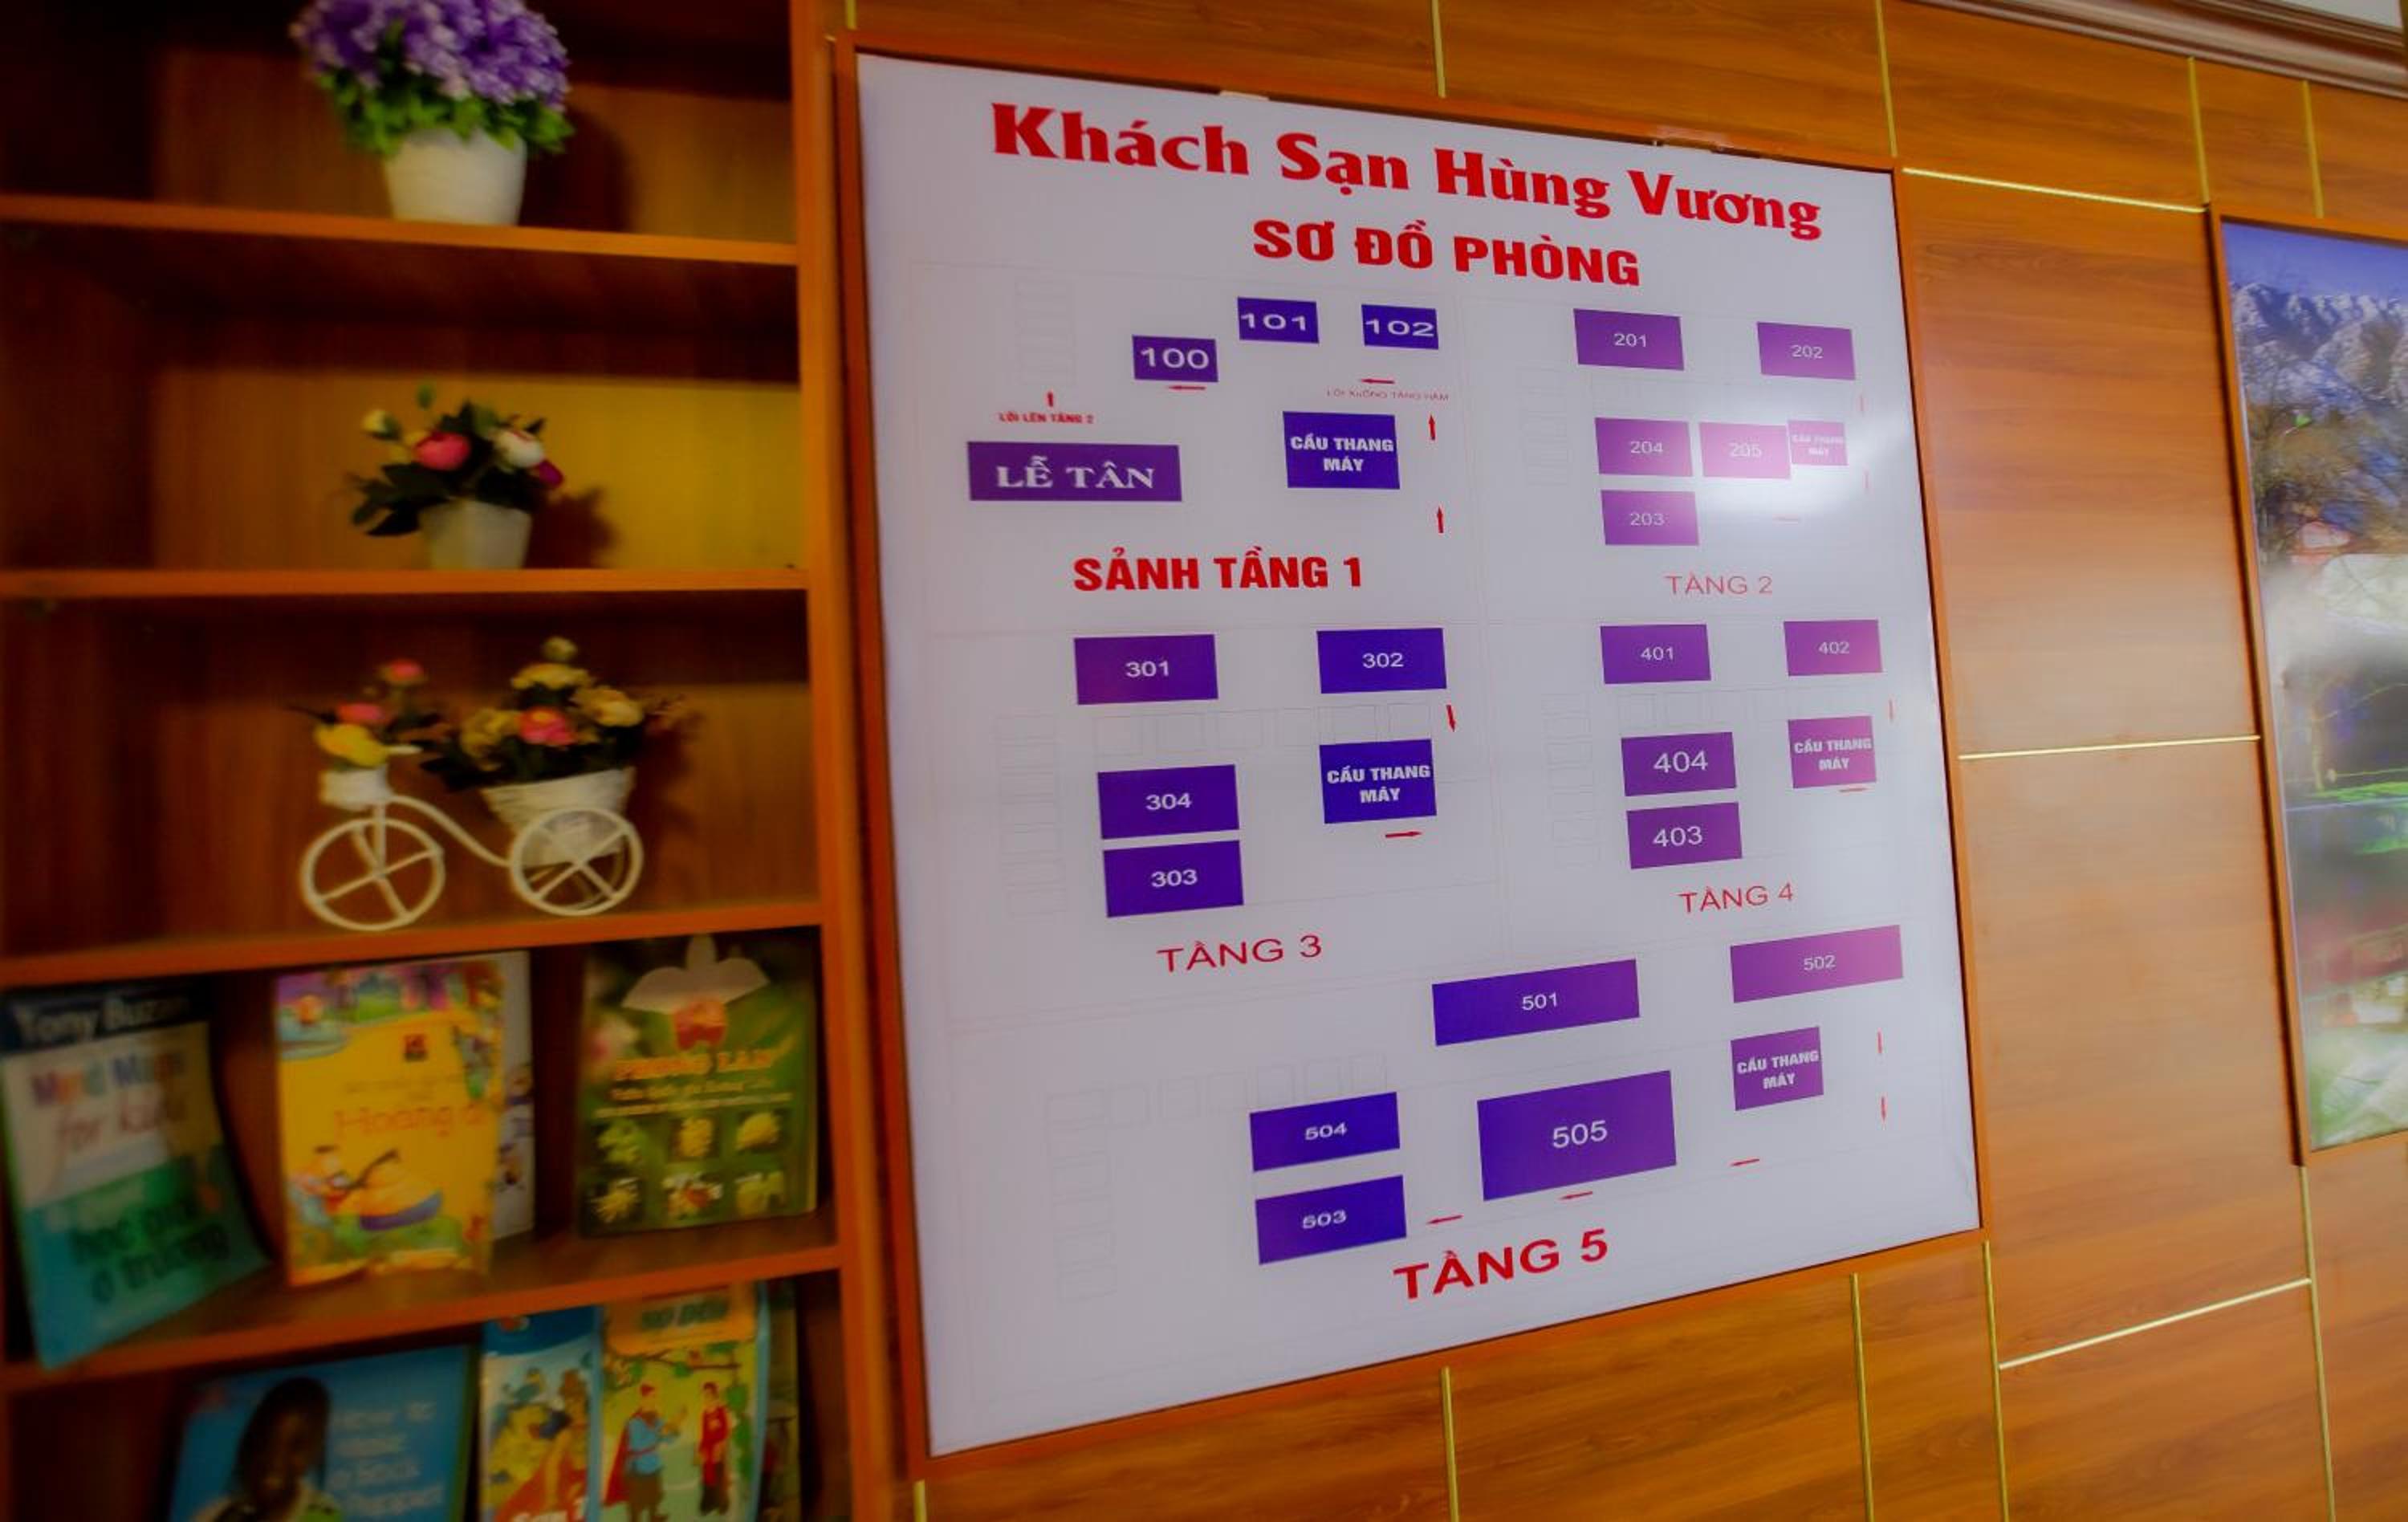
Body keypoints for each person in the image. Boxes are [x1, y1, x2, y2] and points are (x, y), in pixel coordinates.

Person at [190, 1377, 341, 1522]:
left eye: (296, 1446)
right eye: (267, 1442)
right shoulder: (215, 1515)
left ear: (315, 1452)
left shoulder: (324, 1515)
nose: (277, 1461)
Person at [604, 1382, 676, 1522]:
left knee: (654, 1497)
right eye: (652, 1396)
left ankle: (654, 1517)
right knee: (636, 1506)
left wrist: (674, 1429)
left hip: (653, 1465)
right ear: (644, 1398)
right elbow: (638, 1445)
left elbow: (668, 1439)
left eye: (656, 1397)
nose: (655, 1400)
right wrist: (658, 1432)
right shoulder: (634, 1422)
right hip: (637, 1469)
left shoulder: (657, 1418)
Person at [695, 1381, 732, 1515]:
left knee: (718, 1478)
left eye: (709, 1394)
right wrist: (700, 1451)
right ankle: (708, 1505)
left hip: (718, 1451)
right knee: (707, 1479)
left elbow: (726, 1431)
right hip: (708, 1452)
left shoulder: (721, 1411)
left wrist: (720, 1446)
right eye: (705, 1395)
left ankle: (722, 1505)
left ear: (715, 1395)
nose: (707, 1398)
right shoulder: (704, 1414)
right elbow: (704, 1435)